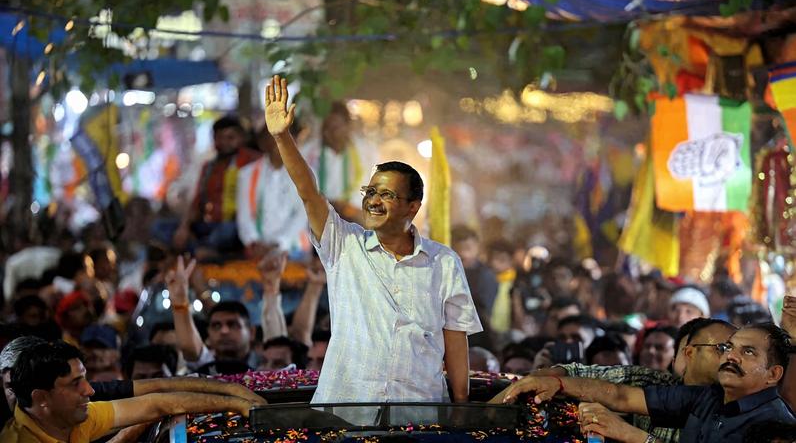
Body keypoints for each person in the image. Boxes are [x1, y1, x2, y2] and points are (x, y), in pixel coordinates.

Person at [264, 75, 482, 403]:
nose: (373, 201)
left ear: (413, 206)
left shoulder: (444, 261)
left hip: (420, 416)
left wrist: (462, 407)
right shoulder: (344, 245)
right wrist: (282, 137)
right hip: (345, 417)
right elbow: (309, 193)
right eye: (370, 192)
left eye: (386, 194)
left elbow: (455, 340)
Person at [501, 323, 795, 443]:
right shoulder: (708, 397)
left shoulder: (776, 427)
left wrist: (632, 435)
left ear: (773, 374)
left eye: (748, 352)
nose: (731, 357)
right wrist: (559, 385)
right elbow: (620, 396)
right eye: (728, 348)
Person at [0, 340, 265, 442]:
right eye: (75, 383)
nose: (90, 391)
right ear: (41, 398)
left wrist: (236, 398)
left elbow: (156, 403)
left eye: (85, 379)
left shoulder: (68, 415)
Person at [167, 256, 287, 373]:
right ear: (208, 333)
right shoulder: (206, 365)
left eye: (233, 325)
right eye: (216, 326)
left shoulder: (266, 363)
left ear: (251, 332)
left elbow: (276, 343)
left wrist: (271, 289)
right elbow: (190, 348)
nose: (224, 331)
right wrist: (180, 303)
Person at [173, 116, 261, 257]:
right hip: (209, 224)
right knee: (160, 228)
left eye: (230, 137)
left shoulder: (254, 163)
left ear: (242, 138)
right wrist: (184, 227)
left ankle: (203, 250)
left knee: (228, 231)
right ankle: (202, 249)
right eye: (220, 137)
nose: (224, 142)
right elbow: (197, 202)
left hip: (236, 226)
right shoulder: (208, 167)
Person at [236, 124, 308, 255]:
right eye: (274, 136)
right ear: (263, 143)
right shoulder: (246, 174)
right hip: (258, 250)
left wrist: (280, 243)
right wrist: (254, 242)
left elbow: (302, 216)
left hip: (294, 249)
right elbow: (244, 217)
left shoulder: (306, 175)